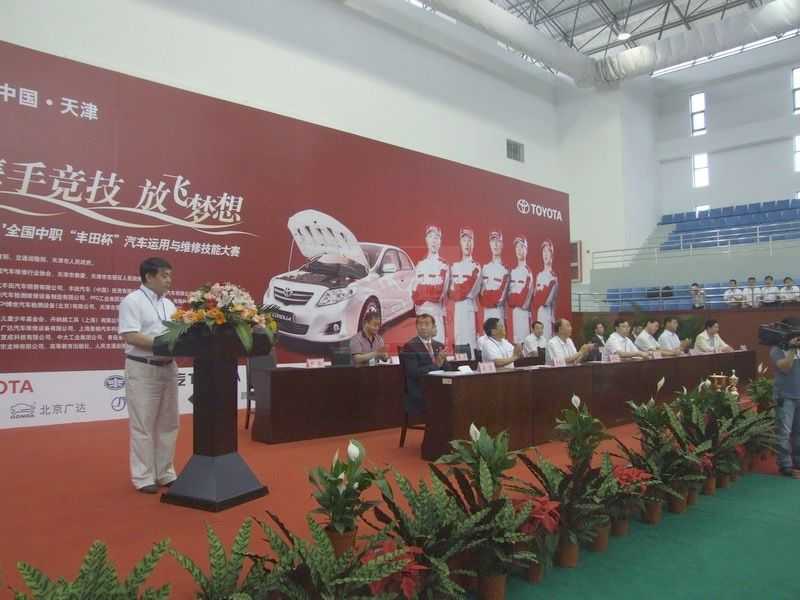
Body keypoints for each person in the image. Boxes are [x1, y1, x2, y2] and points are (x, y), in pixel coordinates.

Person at [117, 257, 179, 494]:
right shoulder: (132, 301)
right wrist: (162, 344)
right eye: (164, 275)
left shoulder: (170, 305)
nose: (169, 280)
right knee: (143, 424)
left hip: (168, 367)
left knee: (169, 423)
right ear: (149, 277)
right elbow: (130, 335)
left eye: (170, 275)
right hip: (143, 367)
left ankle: (165, 472)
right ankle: (143, 477)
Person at [400, 314, 447, 418]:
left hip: (437, 386)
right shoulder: (410, 346)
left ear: (433, 327)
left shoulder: (439, 345)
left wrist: (444, 361)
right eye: (420, 324)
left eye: (426, 324)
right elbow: (413, 372)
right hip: (420, 388)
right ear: (416, 327)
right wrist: (436, 365)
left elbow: (447, 369)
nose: (423, 327)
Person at [771, 317, 800, 478]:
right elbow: (785, 368)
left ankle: (797, 462)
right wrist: (792, 350)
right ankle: (785, 466)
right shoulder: (777, 349)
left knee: (798, 432)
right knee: (784, 432)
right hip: (785, 396)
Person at [412, 225, 450, 345]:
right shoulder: (419, 265)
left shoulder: (444, 265)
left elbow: (438, 293)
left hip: (436, 316)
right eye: (431, 237)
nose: (433, 241)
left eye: (437, 237)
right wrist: (427, 291)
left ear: (440, 241)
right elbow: (414, 294)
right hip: (421, 317)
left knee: (437, 350)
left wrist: (422, 291)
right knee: (422, 352)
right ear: (426, 240)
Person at [449, 228, 481, 357]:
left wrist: (458, 288)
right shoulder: (454, 266)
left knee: (471, 345)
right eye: (464, 240)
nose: (467, 244)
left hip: (469, 310)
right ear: (460, 243)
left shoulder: (476, 267)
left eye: (470, 241)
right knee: (459, 343)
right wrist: (459, 289)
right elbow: (451, 293)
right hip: (458, 311)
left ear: (473, 243)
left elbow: (467, 291)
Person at [507, 236, 534, 344]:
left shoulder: (528, 272)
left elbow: (524, 302)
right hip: (515, 315)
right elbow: (509, 299)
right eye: (517, 247)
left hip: (524, 315)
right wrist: (515, 298)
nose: (519, 250)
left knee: (525, 345)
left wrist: (515, 297)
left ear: (526, 249)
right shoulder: (512, 272)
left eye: (522, 247)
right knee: (516, 344)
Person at [479, 231, 509, 325]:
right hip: (486, 317)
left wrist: (487, 295)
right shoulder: (484, 269)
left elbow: (499, 298)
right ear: (489, 244)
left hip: (499, 315)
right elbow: (481, 297)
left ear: (502, 244)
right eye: (493, 241)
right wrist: (490, 296)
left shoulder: (505, 270)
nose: (495, 244)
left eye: (498, 241)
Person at [533, 240, 558, 339]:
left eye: (548, 251)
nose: (546, 254)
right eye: (544, 251)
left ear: (552, 254)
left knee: (547, 344)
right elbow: (535, 300)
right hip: (539, 317)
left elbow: (546, 301)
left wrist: (540, 295)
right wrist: (540, 295)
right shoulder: (539, 275)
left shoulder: (553, 277)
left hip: (548, 318)